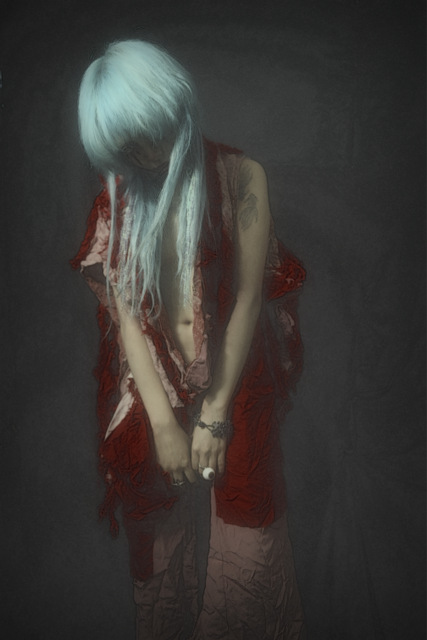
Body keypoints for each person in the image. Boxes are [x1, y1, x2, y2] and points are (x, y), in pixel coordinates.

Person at [72, 39, 306, 640]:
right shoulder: (118, 197)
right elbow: (127, 320)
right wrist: (163, 423)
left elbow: (249, 298)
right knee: (156, 542)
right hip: (156, 378)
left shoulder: (241, 177)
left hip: (236, 371)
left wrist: (216, 413)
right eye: (123, 147)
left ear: (173, 107)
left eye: (144, 136)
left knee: (251, 530)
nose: (140, 157)